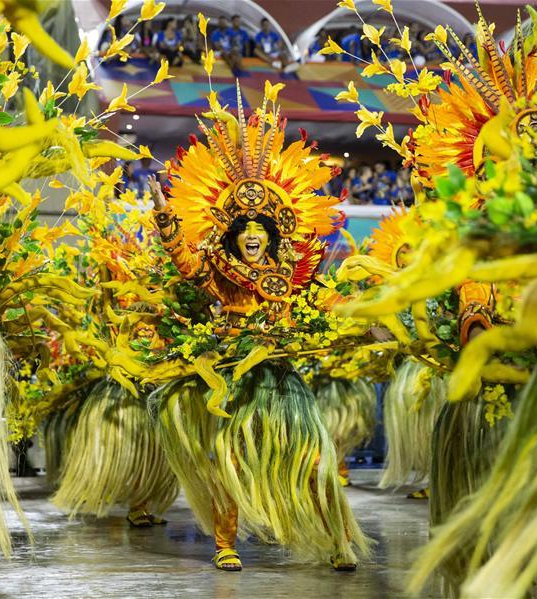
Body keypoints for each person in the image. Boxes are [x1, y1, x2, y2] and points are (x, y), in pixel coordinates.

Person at [146, 87, 369, 573]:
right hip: (231, 370)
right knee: (232, 458)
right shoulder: (218, 267)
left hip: (280, 375)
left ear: (274, 233)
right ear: (231, 231)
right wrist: (166, 216)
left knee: (313, 460)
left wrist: (353, 312)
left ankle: (337, 541)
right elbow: (185, 264)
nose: (251, 233)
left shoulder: (291, 273)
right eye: (243, 226)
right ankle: (225, 542)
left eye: (260, 227)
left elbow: (315, 305)